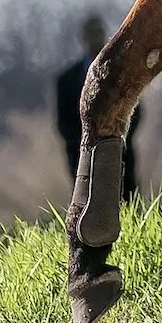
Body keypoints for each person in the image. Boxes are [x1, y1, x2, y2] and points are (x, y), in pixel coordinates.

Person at [55, 15, 136, 196]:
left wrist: (119, 135)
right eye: (91, 32)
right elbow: (63, 122)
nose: (96, 37)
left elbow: (136, 110)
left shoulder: (120, 70)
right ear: (83, 37)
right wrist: (86, 141)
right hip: (82, 156)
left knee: (127, 202)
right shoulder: (66, 80)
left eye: (99, 31)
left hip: (120, 154)